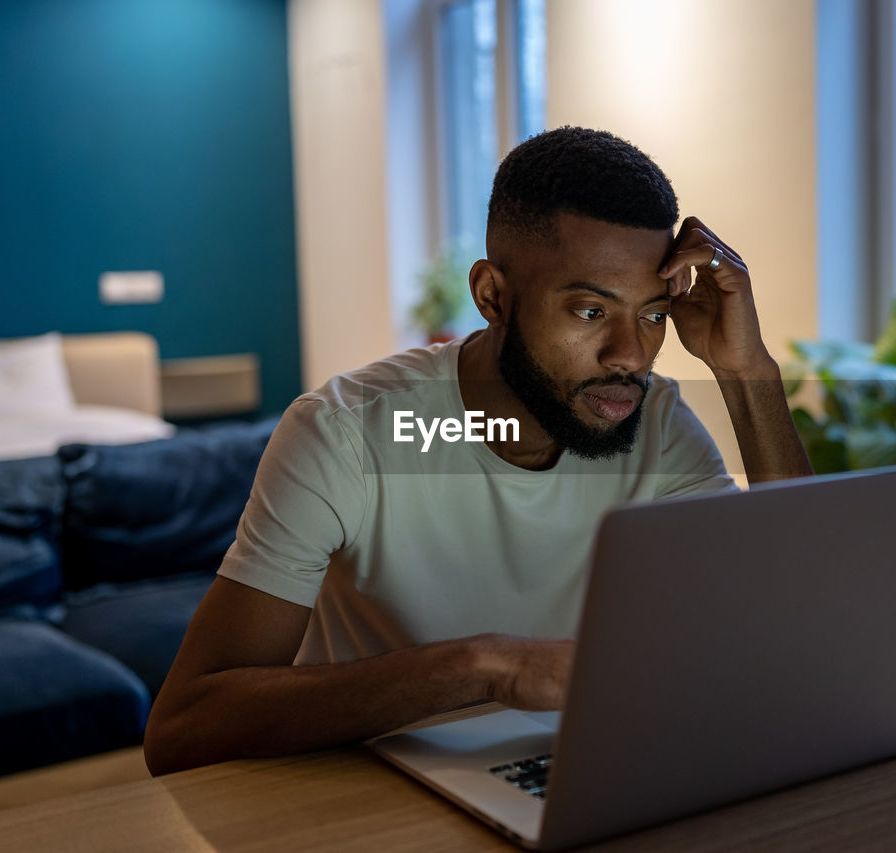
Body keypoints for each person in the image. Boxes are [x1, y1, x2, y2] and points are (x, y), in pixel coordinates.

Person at [144, 127, 812, 776]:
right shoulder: (345, 432)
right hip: (376, 799)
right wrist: (486, 667)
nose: (630, 355)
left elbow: (796, 629)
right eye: (589, 311)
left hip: (581, 773)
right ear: (492, 295)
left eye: (653, 313)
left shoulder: (657, 424)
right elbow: (184, 725)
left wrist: (747, 371)